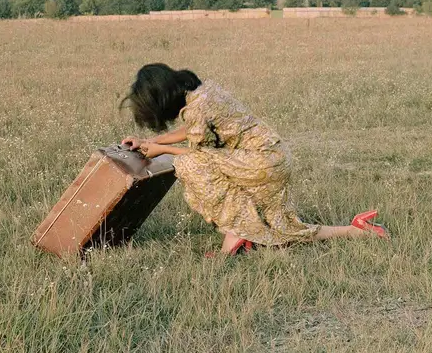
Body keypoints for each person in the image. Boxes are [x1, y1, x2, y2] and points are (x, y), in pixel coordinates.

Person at [121, 63, 387, 256]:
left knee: (190, 166)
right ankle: (357, 230)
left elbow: (199, 154)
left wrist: (162, 150)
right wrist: (151, 144)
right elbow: (193, 132)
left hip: (260, 163)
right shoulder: (201, 93)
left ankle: (236, 233)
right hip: (270, 158)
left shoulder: (197, 108)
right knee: (282, 230)